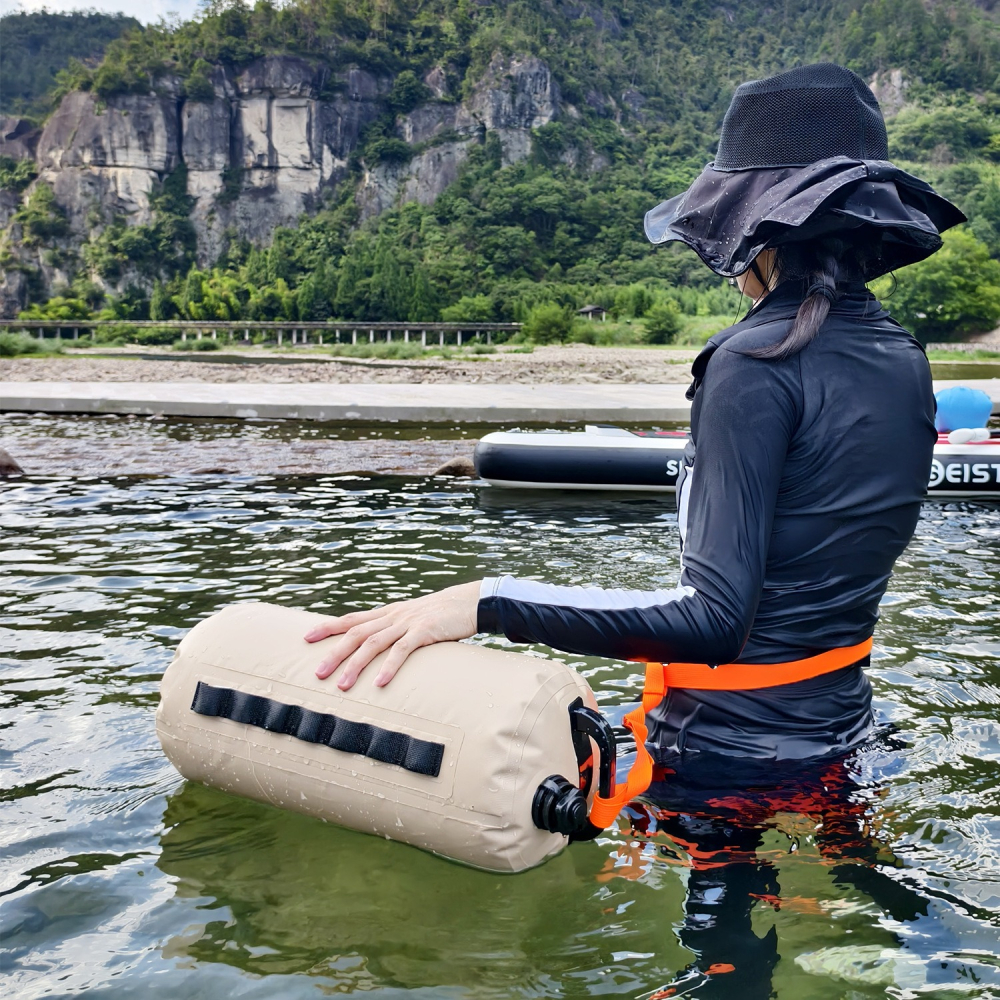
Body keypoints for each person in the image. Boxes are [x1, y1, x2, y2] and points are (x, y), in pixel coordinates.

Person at [304, 64, 963, 785]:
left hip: (723, 763)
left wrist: (482, 602)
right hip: (847, 740)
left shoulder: (755, 362)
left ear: (758, 225)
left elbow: (714, 620)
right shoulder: (904, 356)